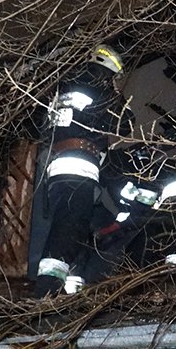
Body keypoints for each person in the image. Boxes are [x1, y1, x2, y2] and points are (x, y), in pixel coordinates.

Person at [34, 43, 131, 296]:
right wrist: (118, 97)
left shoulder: (65, 88)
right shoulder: (96, 84)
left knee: (82, 225)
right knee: (70, 226)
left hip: (57, 165)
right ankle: (47, 288)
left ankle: (74, 285)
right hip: (79, 166)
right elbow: (125, 123)